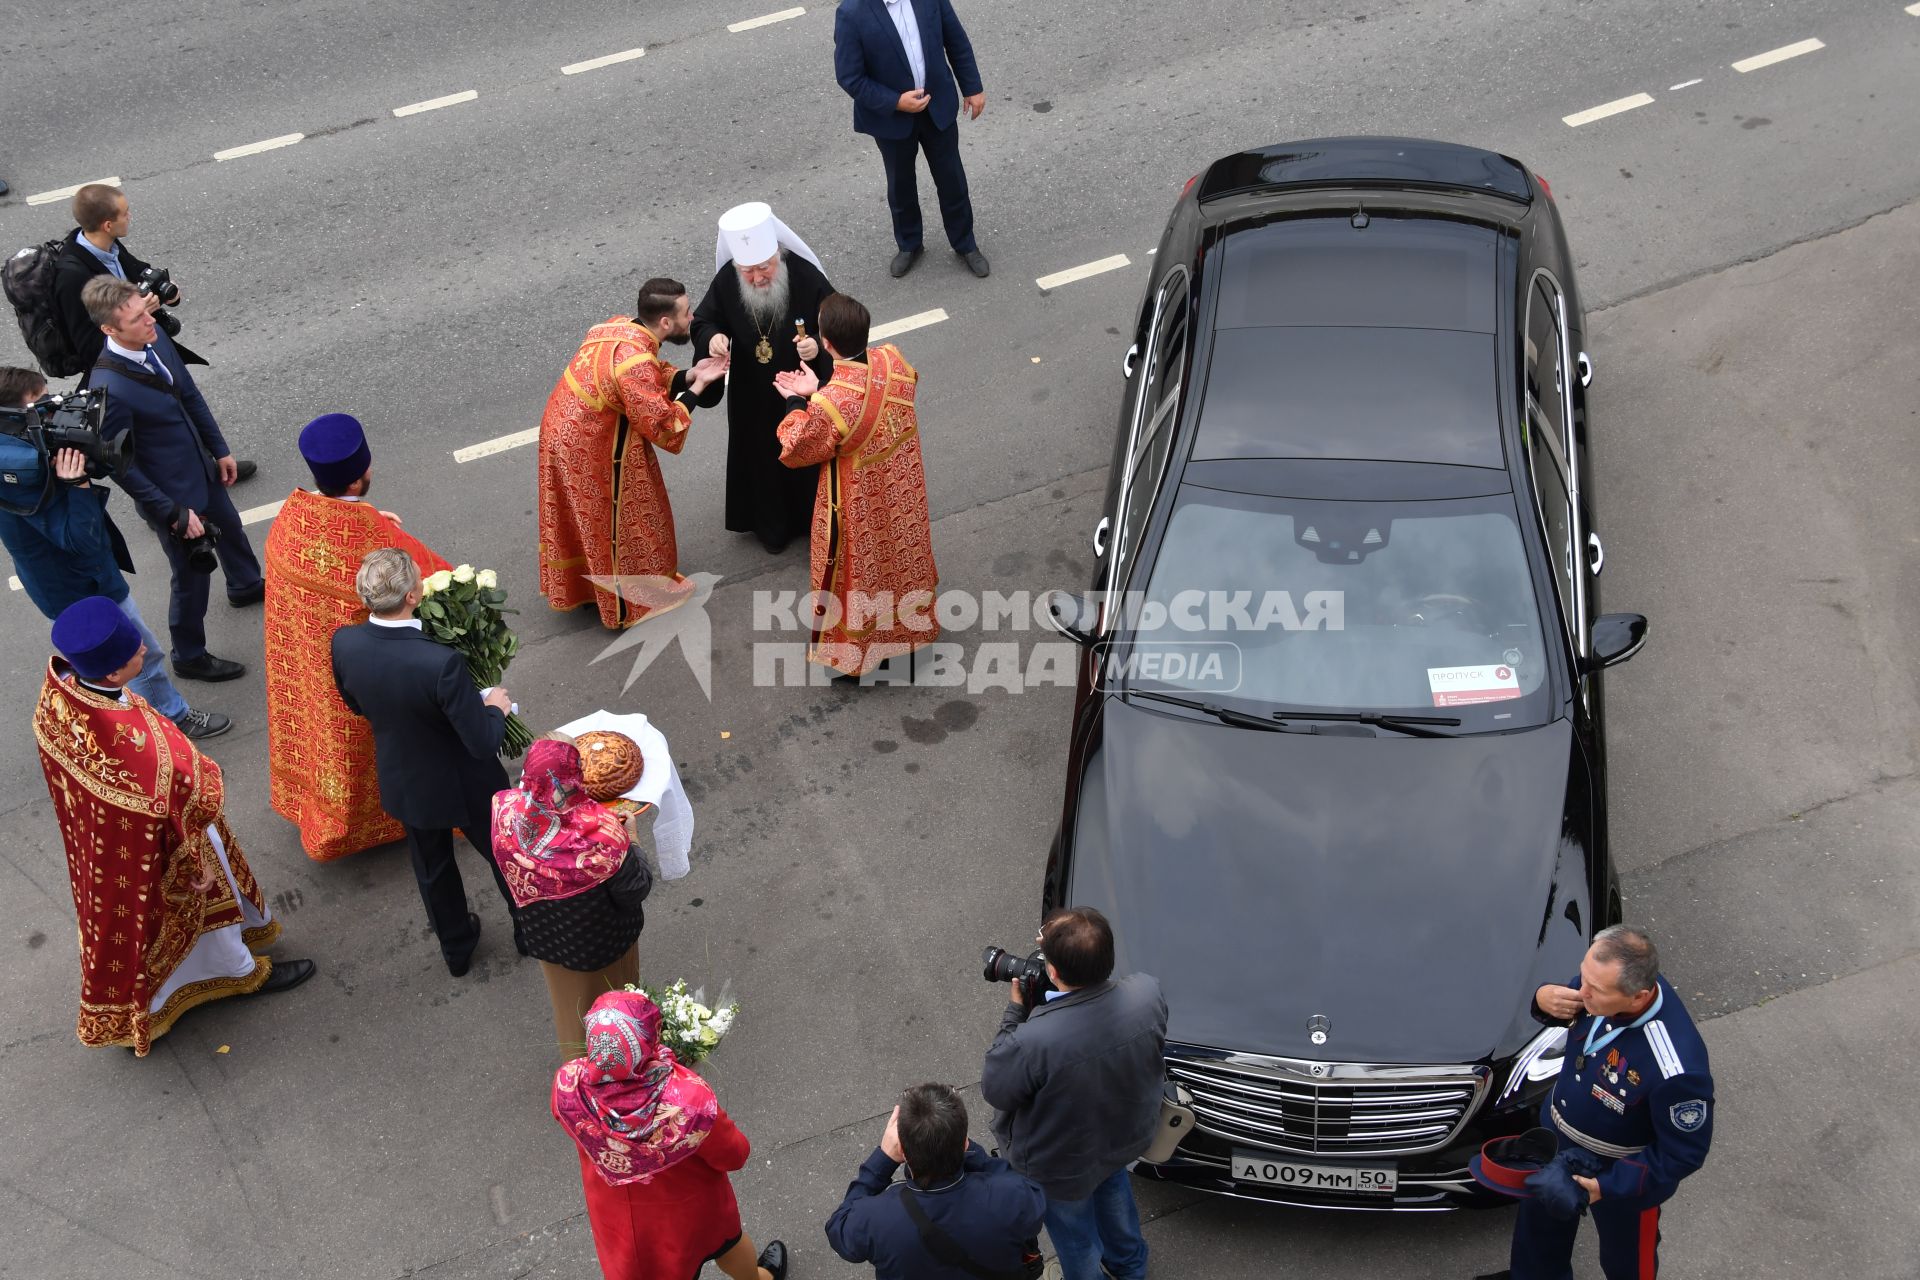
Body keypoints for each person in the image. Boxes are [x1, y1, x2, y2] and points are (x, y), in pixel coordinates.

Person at [33, 597, 314, 1055]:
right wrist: (196, 858)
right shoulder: (129, 747)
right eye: (134, 656)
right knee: (204, 914)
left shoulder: (60, 696)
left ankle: (148, 1004)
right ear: (111, 675)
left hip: (108, 856)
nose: (145, 651)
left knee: (135, 929)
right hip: (170, 848)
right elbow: (169, 799)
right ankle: (241, 972)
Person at [0, 367, 228, 739]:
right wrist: (77, 485)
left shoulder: (14, 449)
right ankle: (172, 717)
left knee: (96, 666)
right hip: (83, 583)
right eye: (41, 404)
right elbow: (81, 541)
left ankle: (113, 729)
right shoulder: (23, 470)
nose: (54, 410)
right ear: (14, 414)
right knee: (139, 653)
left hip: (59, 586)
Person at [1478, 925, 1714, 1280]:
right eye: (1583, 976)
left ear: (1638, 997)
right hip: (1557, 1143)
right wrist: (1543, 998)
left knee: (1627, 1261)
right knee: (1538, 1238)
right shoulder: (1604, 986)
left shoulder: (1676, 1069)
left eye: (1594, 990)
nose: (1580, 990)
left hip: (1618, 1173)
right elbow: (1571, 1006)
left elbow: (1683, 1153)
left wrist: (1609, 1186)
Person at [265, 413, 452, 860]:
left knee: (322, 733)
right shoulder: (374, 538)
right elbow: (437, 577)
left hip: (308, 660)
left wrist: (367, 515)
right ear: (360, 475)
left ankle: (316, 807)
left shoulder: (293, 515)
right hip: (363, 668)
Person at [331, 548, 520, 977]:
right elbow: (481, 741)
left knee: (433, 869)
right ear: (414, 596)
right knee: (504, 856)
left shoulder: (345, 642)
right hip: (467, 781)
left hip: (406, 777)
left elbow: (355, 703)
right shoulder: (441, 663)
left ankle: (456, 949)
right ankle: (529, 933)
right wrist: (495, 707)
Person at [83, 275, 263, 683]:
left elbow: (189, 394)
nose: (150, 320)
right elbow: (122, 466)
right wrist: (172, 512)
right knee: (191, 576)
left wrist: (219, 450)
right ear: (110, 330)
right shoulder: (108, 389)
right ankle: (189, 653)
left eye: (145, 310)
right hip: (173, 498)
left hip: (201, 467)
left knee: (231, 527)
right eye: (136, 319)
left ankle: (246, 584)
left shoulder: (153, 336)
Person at [979, 907, 1167, 1280]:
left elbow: (996, 1089)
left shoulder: (1033, 1042)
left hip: (1060, 1166)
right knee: (1116, 1203)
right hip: (1119, 1139)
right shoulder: (1147, 993)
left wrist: (1015, 1013)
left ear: (1052, 972)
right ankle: (1130, 1270)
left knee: (1076, 1240)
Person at [554, 989, 789, 1280]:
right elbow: (735, 1154)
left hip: (618, 1224)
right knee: (728, 1246)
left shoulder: (567, 1086)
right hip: (692, 1212)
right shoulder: (687, 1099)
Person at [538, 278, 726, 629]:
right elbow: (664, 425)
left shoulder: (619, 326)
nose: (693, 317)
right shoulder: (635, 361)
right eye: (687, 314)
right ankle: (627, 602)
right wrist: (699, 386)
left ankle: (588, 588)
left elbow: (645, 379)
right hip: (589, 443)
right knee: (621, 516)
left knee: (583, 515)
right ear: (666, 323)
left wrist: (688, 374)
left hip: (561, 427)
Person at [773, 293, 938, 679]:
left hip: (855, 500)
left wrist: (798, 401)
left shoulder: (832, 405)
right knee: (900, 559)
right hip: (902, 491)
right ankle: (910, 639)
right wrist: (821, 390)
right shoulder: (892, 361)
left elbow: (795, 448)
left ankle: (857, 655)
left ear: (827, 344)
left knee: (860, 571)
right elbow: (881, 394)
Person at [49, 184, 256, 478]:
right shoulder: (72, 276)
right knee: (150, 430)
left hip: (147, 345)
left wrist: (167, 294)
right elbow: (88, 345)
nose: (130, 216)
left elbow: (138, 272)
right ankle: (171, 502)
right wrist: (139, 315)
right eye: (125, 213)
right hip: (127, 365)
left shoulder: (108, 246)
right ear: (108, 224)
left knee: (183, 402)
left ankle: (212, 462)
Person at [490, 737, 653, 1052]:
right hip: (604, 946)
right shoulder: (603, 836)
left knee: (571, 1011)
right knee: (616, 1015)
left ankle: (575, 1074)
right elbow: (635, 889)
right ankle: (620, 1074)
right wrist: (631, 838)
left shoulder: (504, 811)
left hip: (548, 941)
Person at [693, 203, 837, 554]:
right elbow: (703, 320)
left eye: (764, 268)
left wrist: (816, 348)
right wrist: (712, 337)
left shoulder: (805, 276)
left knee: (804, 448)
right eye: (748, 271)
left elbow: (837, 324)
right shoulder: (728, 279)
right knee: (761, 456)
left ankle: (810, 519)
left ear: (779, 256)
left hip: (800, 387)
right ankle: (770, 527)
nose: (757, 278)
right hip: (752, 393)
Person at [826, 1082, 1046, 1279]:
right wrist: (974, 1154)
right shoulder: (1012, 1197)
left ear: (901, 1150)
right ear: (964, 1145)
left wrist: (882, 1160)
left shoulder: (873, 1220)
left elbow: (839, 1230)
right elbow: (1030, 1201)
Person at [833, 0, 989, 279]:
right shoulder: (851, 13)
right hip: (892, 120)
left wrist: (973, 87)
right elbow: (850, 77)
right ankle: (910, 244)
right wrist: (895, 102)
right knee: (901, 185)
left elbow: (956, 40)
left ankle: (965, 243)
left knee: (952, 179)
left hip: (936, 106)